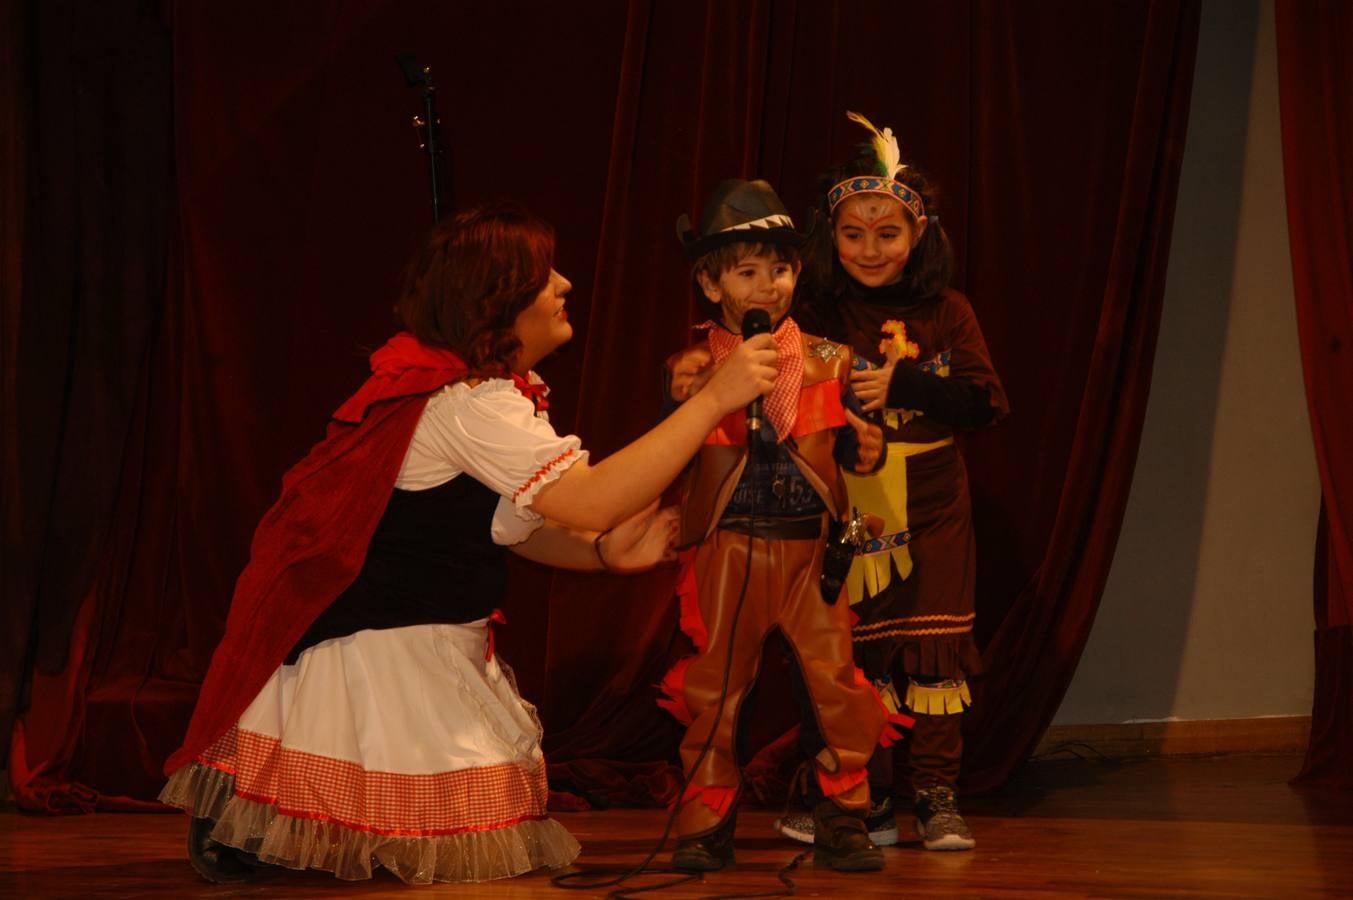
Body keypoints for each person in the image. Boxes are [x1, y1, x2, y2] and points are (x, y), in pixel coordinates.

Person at [157, 203, 779, 885]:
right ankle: (260, 822)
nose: (566, 284)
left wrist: (598, 554)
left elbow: (513, 526)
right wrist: (713, 400)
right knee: (444, 848)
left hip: (432, 637)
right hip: (382, 649)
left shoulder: (484, 397)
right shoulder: (467, 405)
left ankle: (268, 828)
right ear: (498, 302)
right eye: (544, 277)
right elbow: (590, 498)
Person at [776, 112, 1009, 852]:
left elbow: (984, 402)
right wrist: (847, 416)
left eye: (887, 234)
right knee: (858, 655)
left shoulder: (948, 312)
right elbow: (785, 409)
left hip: (936, 504)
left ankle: (936, 799)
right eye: (853, 234)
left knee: (932, 650)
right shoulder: (814, 312)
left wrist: (905, 381)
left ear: (918, 238)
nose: (870, 249)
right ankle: (865, 798)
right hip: (849, 507)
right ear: (828, 236)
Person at [658, 179, 898, 874]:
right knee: (715, 691)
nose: (767, 285)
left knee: (835, 687)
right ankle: (707, 820)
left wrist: (865, 445)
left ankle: (842, 815)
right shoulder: (694, 368)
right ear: (711, 284)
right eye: (746, 271)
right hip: (727, 549)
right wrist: (689, 396)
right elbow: (672, 449)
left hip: (809, 552)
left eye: (780, 268)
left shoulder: (829, 359)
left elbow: (844, 447)